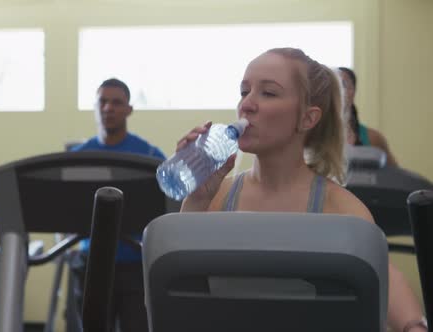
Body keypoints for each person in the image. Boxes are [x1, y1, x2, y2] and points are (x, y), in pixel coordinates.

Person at [179, 48, 426, 332]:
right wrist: (196, 199)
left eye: (268, 93)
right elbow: (175, 291)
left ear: (308, 118)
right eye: (244, 91)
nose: (246, 105)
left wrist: (413, 326)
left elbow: (381, 276)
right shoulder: (215, 197)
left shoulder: (343, 209)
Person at [68, 78, 165, 332]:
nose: (108, 108)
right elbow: (64, 211)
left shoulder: (150, 156)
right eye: (102, 101)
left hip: (135, 265)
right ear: (95, 106)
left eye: (116, 102)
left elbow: (169, 207)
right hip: (91, 266)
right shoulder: (79, 156)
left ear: (128, 110)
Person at [338, 67, 399, 166]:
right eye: (334, 86)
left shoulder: (373, 138)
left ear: (353, 92)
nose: (338, 91)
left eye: (343, 84)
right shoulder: (313, 138)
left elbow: (395, 176)